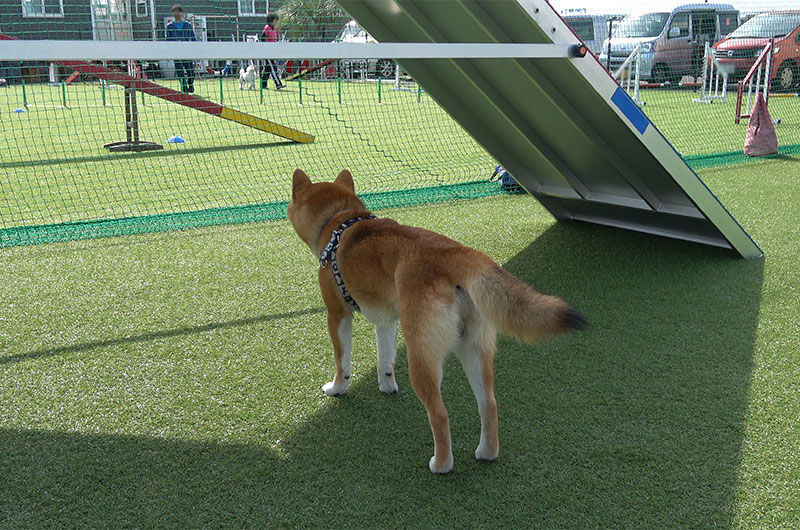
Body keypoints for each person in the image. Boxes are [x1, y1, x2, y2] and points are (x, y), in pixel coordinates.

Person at [166, 5, 197, 93]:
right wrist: (168, 53)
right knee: (180, 72)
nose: (177, 14)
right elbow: (168, 40)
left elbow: (193, 39)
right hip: (176, 53)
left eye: (179, 12)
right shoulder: (170, 26)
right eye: (175, 12)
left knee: (191, 72)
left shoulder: (188, 25)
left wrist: (195, 51)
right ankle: (184, 88)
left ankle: (190, 84)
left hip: (187, 53)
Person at [260, 13, 286, 90]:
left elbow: (276, 39)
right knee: (273, 68)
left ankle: (263, 85)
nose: (276, 21)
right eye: (275, 20)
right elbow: (262, 39)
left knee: (268, 68)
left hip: (273, 52)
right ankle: (278, 84)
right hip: (267, 52)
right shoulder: (267, 28)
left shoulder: (274, 28)